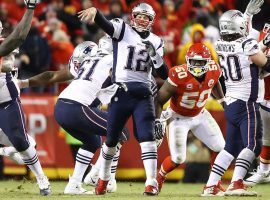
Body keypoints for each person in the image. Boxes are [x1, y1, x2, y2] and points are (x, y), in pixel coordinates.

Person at [19, 37, 129, 194]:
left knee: (92, 141)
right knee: (121, 132)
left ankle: (74, 184)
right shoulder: (115, 60)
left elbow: (52, 76)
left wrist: (23, 83)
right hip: (77, 107)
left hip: (62, 106)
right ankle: (99, 175)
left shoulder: (88, 61)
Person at [78, 2, 168, 195]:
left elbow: (164, 74)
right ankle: (103, 178)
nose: (142, 19)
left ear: (152, 21)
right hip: (121, 92)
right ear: (133, 16)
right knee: (111, 140)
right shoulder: (123, 29)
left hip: (143, 94)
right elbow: (106, 26)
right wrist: (97, 13)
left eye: (147, 17)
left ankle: (151, 181)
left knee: (147, 137)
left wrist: (155, 56)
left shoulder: (156, 40)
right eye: (139, 16)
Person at [202, 8, 270, 196]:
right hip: (246, 102)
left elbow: (248, 52)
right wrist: (265, 42)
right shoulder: (247, 43)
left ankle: (211, 185)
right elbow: (264, 63)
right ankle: (236, 183)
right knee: (253, 145)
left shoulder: (219, 43)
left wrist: (250, 21)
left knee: (231, 147)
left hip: (231, 101)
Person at [154, 43, 225, 193]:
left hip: (200, 114)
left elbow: (215, 81)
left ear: (208, 62)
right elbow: (159, 99)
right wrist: (157, 120)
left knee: (221, 147)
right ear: (187, 60)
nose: (197, 65)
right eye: (194, 62)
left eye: (201, 62)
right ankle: (160, 177)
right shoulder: (177, 74)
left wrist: (222, 101)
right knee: (178, 159)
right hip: (178, 118)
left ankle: (212, 184)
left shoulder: (214, 69)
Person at [0, 0, 51, 196]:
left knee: (22, 144)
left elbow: (18, 37)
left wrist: (30, 8)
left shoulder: (4, 46)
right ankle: (6, 150)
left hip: (6, 103)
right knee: (22, 148)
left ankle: (41, 178)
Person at [244, 21, 270, 186]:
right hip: (265, 96)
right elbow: (250, 52)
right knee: (266, 139)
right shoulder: (265, 34)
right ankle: (263, 171)